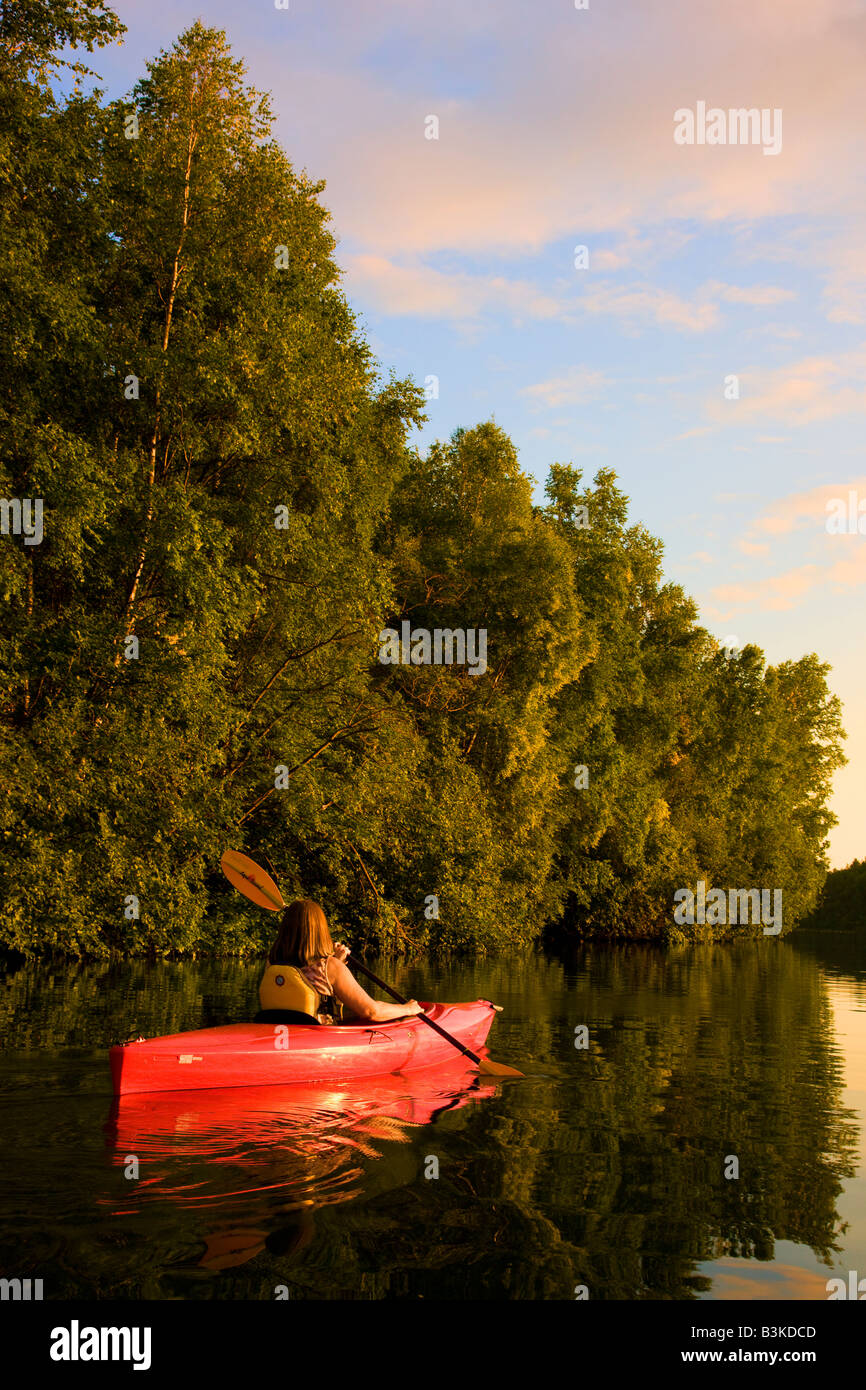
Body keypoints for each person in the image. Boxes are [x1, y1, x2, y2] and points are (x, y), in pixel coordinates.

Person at [256, 898, 424, 1026]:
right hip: (318, 1044)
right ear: (321, 930)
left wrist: (335, 961)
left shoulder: (272, 963)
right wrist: (408, 1008)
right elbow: (371, 1011)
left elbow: (306, 979)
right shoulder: (330, 967)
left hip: (278, 1034)